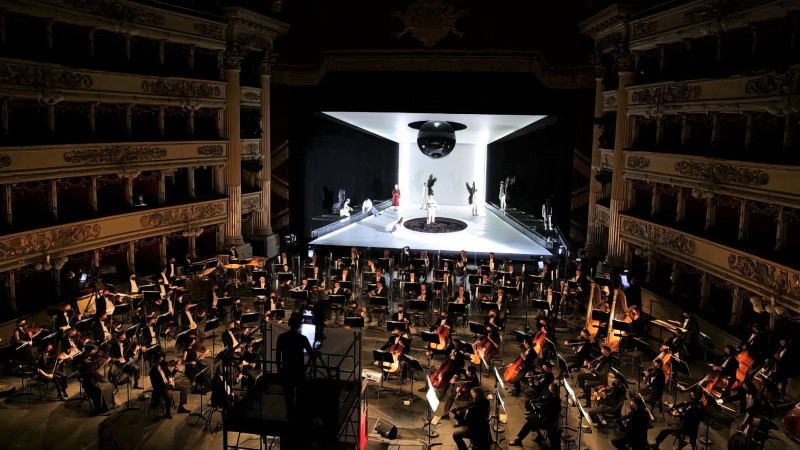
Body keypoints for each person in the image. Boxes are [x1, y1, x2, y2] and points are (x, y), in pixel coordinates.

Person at [275, 312, 314, 424]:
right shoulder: (302, 338)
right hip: (299, 370)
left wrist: (279, 370)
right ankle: (298, 415)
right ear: (299, 325)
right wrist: (305, 367)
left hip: (286, 369)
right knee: (300, 394)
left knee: (288, 395)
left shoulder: (282, 337)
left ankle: (290, 416)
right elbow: (312, 356)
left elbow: (278, 356)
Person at [509, 382, 561, 447]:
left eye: (549, 389)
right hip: (545, 417)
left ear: (552, 391)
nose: (548, 391)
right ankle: (540, 436)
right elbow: (545, 400)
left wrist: (537, 408)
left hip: (547, 421)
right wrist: (537, 402)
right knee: (529, 418)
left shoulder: (553, 401)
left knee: (528, 424)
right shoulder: (554, 397)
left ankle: (519, 440)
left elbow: (545, 411)